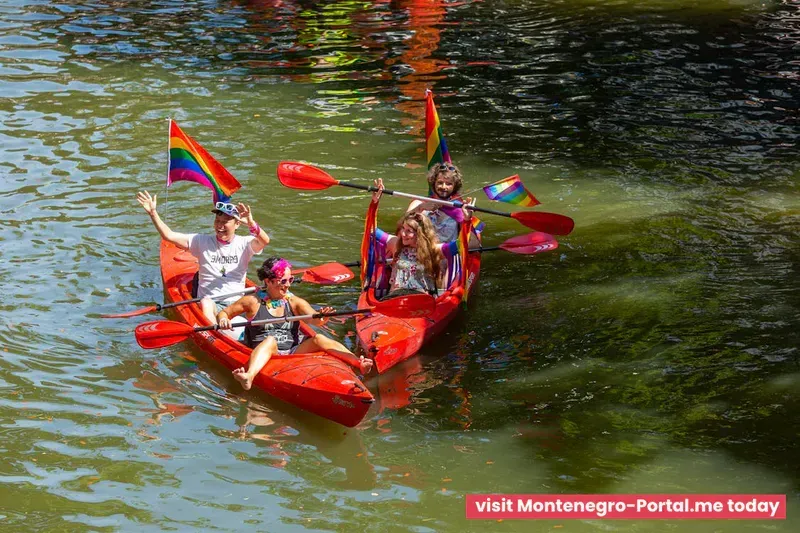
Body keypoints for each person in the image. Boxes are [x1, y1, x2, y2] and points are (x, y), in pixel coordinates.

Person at [217, 257, 373, 390]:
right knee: (271, 341)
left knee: (319, 338)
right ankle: (249, 376)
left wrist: (321, 318)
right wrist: (223, 320)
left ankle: (358, 362)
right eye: (283, 281)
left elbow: (313, 318)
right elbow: (224, 313)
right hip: (267, 351)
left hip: (293, 351)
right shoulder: (252, 301)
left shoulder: (294, 302)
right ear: (268, 281)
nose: (288, 285)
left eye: (290, 280)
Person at [136, 191, 270, 336]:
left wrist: (251, 224)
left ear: (237, 224)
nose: (220, 226)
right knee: (206, 302)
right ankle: (215, 336)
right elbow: (168, 236)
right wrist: (153, 213)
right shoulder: (201, 241)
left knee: (256, 302)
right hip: (211, 305)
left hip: (237, 304)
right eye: (217, 221)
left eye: (225, 222)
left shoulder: (244, 243)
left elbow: (264, 240)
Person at [371, 179, 471, 296]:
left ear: (420, 234)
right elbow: (372, 230)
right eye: (403, 229)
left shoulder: (433, 249)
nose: (403, 234)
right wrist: (374, 203)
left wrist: (467, 220)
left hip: (422, 301)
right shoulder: (396, 244)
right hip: (395, 299)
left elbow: (461, 244)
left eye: (409, 231)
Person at [406, 162, 464, 243]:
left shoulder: (459, 208)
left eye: (449, 184)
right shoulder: (419, 203)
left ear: (454, 186)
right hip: (423, 249)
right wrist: (420, 208)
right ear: (434, 183)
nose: (444, 187)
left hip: (447, 249)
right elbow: (402, 227)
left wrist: (468, 218)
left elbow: (470, 240)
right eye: (440, 183)